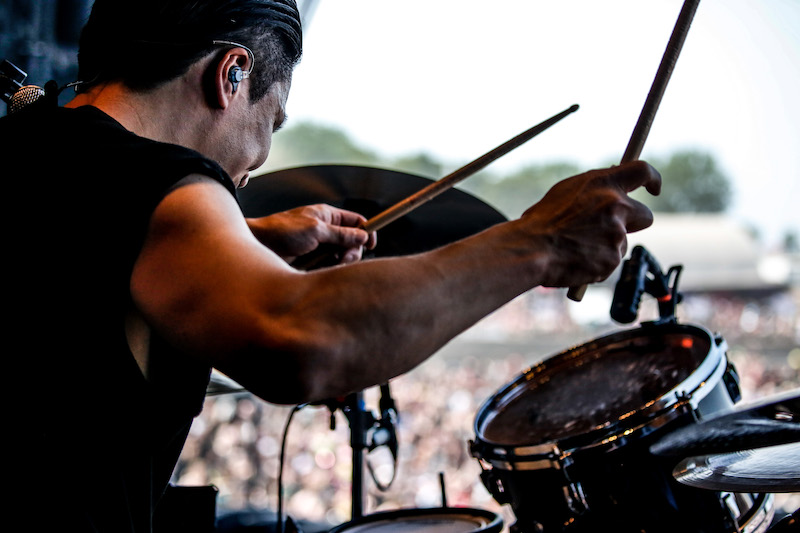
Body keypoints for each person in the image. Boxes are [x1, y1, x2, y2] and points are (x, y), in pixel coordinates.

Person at [3, 0, 661, 531]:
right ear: (230, 74)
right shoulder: (157, 180)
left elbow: (80, 261)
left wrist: (246, 241)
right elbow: (304, 342)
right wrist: (538, 242)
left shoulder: (39, 148)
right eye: (272, 122)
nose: (256, 165)